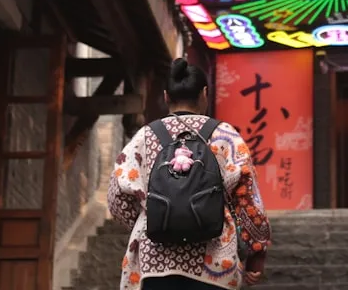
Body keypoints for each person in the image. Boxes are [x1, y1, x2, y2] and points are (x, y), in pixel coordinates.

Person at [108, 58, 271, 290]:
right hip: (215, 265)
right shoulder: (225, 136)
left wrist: (152, 219)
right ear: (205, 93)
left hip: (154, 264)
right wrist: (257, 254)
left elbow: (117, 199)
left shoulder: (144, 137)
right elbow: (249, 201)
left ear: (166, 96)